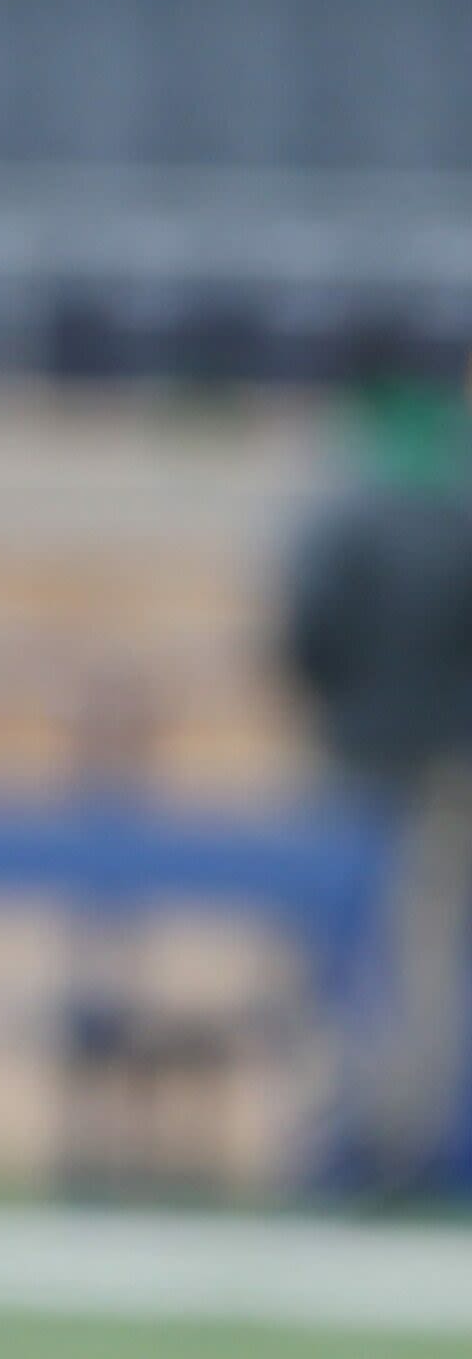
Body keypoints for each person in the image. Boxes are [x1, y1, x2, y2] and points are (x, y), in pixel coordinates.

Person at [280, 346, 472, 1198]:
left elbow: (306, 633)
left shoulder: (345, 514)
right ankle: (410, 1141)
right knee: (424, 956)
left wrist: (342, 711)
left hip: (357, 756)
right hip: (446, 760)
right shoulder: (455, 510)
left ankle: (350, 1136)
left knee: (344, 949)